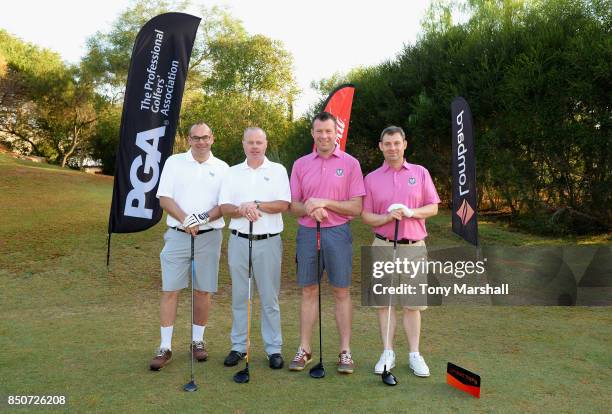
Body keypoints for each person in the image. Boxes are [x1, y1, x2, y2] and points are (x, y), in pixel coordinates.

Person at [288, 112, 366, 374]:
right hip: (308, 234)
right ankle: (305, 349)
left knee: (341, 291)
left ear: (336, 133)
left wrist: (324, 203)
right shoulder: (300, 164)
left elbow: (356, 207)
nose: (323, 136)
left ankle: (345, 351)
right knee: (309, 290)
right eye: (319, 131)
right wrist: (310, 209)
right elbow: (294, 205)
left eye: (328, 132)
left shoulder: (351, 163)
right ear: (313, 133)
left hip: (338, 233)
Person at [361, 126, 440, 377]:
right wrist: (386, 217)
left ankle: (415, 354)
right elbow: (366, 216)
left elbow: (433, 207)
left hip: (414, 247)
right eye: (387, 144)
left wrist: (411, 212)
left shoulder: (420, 172)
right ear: (380, 146)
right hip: (383, 245)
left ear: (404, 144)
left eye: (397, 143)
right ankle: (387, 352)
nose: (392, 148)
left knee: (412, 304)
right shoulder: (372, 178)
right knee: (385, 303)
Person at [149, 122, 229, 371]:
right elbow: (164, 198)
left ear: (212, 138)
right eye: (196, 138)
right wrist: (186, 219)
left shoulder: (223, 168)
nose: (201, 142)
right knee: (170, 289)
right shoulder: (174, 162)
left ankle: (197, 341)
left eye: (205, 137)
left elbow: (224, 205)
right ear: (189, 140)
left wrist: (201, 218)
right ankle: (165, 346)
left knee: (203, 290)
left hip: (209, 235)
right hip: (177, 234)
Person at [219, 127, 291, 369]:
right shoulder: (232, 172)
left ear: (266, 144)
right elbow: (224, 206)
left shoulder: (278, 170)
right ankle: (239, 347)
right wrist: (243, 209)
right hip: (239, 240)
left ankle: (273, 349)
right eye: (250, 142)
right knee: (241, 295)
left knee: (269, 297)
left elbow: (283, 203)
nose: (255, 146)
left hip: (268, 241)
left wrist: (257, 204)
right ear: (243, 144)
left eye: (259, 142)